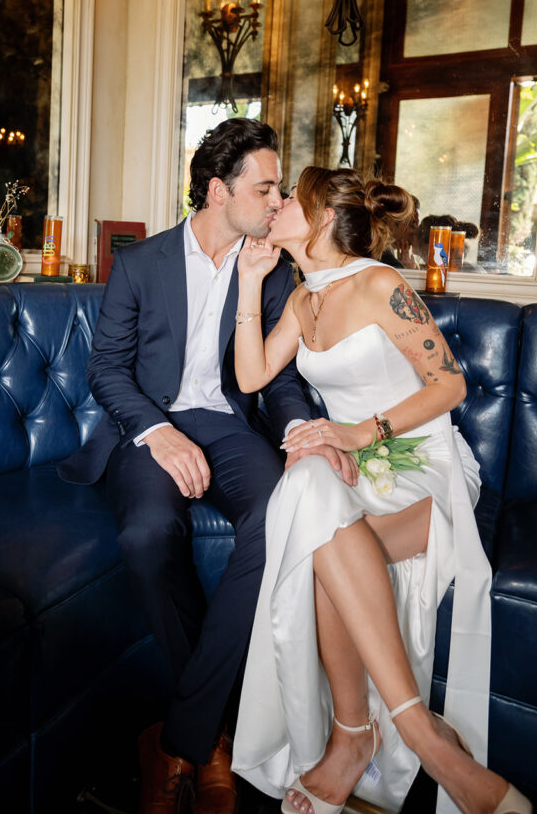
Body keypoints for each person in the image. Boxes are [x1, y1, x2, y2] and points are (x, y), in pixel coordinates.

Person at [59, 121, 350, 814]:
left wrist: (298, 428)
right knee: (146, 533)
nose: (278, 200)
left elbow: (275, 379)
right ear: (218, 191)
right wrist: (157, 430)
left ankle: (183, 735)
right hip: (149, 425)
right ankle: (213, 737)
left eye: (279, 188)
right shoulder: (141, 262)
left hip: (227, 423)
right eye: (266, 187)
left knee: (278, 512)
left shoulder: (270, 267)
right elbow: (106, 368)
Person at [229, 167, 531, 814]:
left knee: (313, 536)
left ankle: (364, 739)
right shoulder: (301, 297)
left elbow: (447, 386)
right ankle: (413, 733)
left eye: (287, 200)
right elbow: (252, 375)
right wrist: (250, 284)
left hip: (423, 464)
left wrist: (358, 433)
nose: (273, 206)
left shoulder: (379, 283)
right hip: (354, 467)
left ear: (316, 219)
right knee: (308, 483)